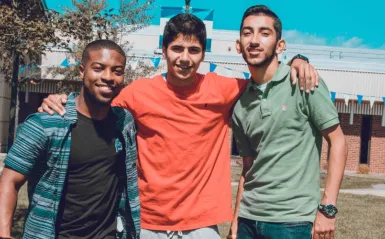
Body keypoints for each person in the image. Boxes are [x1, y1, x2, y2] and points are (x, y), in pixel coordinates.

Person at [37, 14, 319, 239]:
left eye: (194, 50)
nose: (185, 57)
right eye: (177, 49)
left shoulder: (226, 89)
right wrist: (63, 100)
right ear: (164, 51)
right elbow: (96, 105)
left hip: (203, 224)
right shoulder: (139, 93)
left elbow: (265, 75)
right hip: (147, 221)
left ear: (203, 55)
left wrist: (298, 61)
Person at [0, 40, 140, 239]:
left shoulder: (123, 122)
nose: (108, 77)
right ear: (82, 71)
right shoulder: (45, 123)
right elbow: (9, 181)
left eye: (117, 71)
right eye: (99, 68)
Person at [228, 5, 348, 239]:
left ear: (280, 45)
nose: (254, 40)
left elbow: (339, 142)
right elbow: (248, 168)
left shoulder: (304, 82)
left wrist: (328, 208)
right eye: (247, 33)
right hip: (248, 220)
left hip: (293, 221)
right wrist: (236, 221)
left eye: (264, 33)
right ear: (238, 45)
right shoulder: (240, 103)